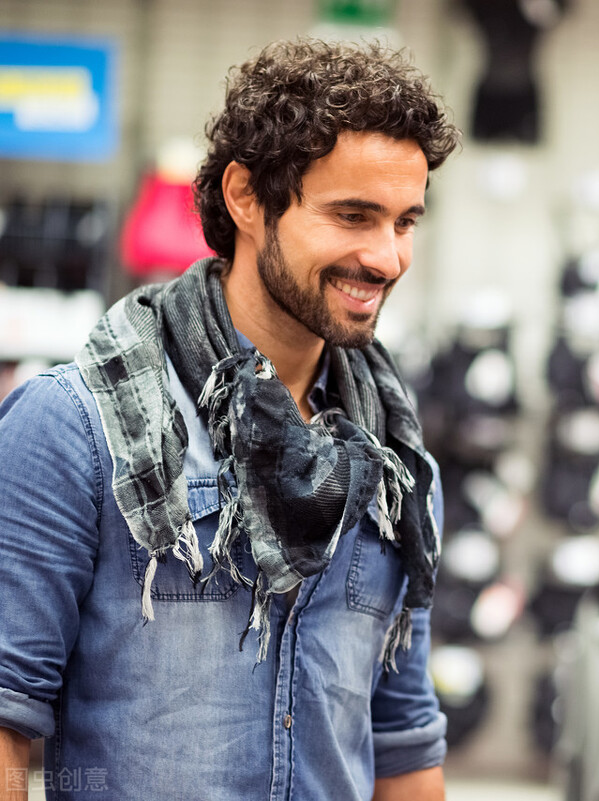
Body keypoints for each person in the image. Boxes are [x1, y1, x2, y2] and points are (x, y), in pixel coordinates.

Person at [0, 38, 459, 800]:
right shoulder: (80, 430)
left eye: (405, 221)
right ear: (246, 196)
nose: (387, 257)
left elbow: (403, 743)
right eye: (353, 215)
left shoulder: (398, 470)